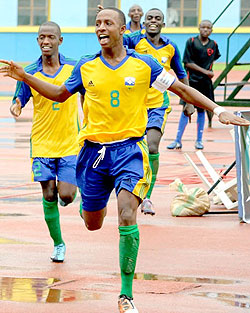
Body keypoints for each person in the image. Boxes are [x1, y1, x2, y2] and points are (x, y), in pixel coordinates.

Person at [0, 8, 248, 313]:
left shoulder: (144, 64)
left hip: (130, 150)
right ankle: (88, 205)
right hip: (93, 153)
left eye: (107, 23)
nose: (101, 28)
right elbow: (59, 94)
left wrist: (217, 108)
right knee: (93, 223)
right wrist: (25, 77)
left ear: (122, 29)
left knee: (128, 216)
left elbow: (181, 88)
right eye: (97, 24)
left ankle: (126, 294)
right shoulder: (86, 66)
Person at [9, 21, 84, 263]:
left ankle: (76, 196)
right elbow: (19, 98)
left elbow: (88, 92)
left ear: (60, 40)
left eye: (51, 37)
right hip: (41, 143)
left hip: (70, 142)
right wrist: (16, 106)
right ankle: (58, 243)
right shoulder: (29, 71)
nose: (45, 41)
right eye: (41, 37)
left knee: (67, 195)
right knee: (49, 195)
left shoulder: (74, 67)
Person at [123, 7, 192, 215]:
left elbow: (180, 74)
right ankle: (126, 186)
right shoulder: (133, 40)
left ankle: (147, 198)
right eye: (149, 18)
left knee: (152, 147)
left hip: (157, 105)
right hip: (133, 103)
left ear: (163, 23)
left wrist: (188, 101)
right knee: (131, 148)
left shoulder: (171, 47)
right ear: (143, 23)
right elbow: (115, 47)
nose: (153, 21)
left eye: (158, 18)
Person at [167, 19, 221, 150]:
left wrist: (207, 73)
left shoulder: (213, 44)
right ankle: (178, 140)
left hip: (205, 83)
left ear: (212, 30)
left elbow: (214, 58)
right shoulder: (191, 42)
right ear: (199, 28)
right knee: (186, 110)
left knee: (202, 110)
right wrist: (206, 71)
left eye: (208, 28)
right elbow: (188, 63)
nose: (206, 30)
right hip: (192, 82)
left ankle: (199, 140)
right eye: (203, 27)